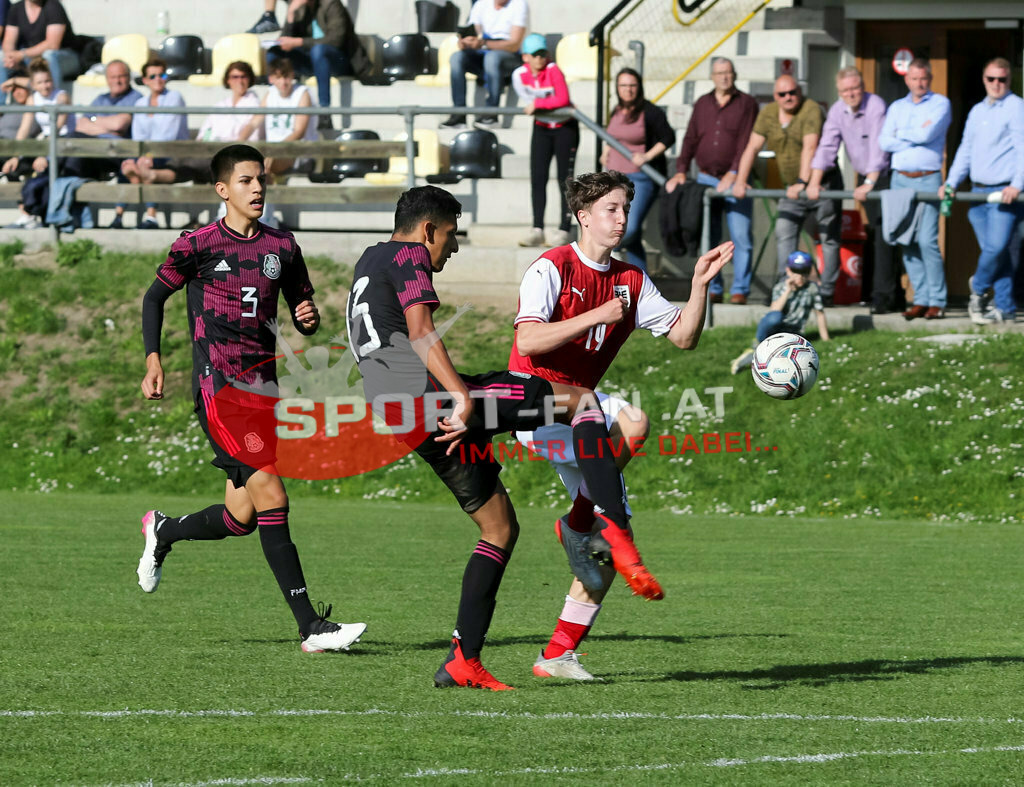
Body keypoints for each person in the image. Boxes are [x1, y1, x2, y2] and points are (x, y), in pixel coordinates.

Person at [347, 185, 660, 690]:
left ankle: (462, 660)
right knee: (580, 398)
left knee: (499, 529)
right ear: (428, 229)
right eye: (450, 235)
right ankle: (613, 529)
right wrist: (461, 396)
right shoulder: (409, 254)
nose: (453, 247)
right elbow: (421, 326)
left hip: (399, 412)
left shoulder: (370, 258)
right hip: (431, 397)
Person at [137, 143, 367, 654]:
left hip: (263, 391)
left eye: (261, 179)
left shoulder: (282, 247)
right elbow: (155, 297)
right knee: (274, 494)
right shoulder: (196, 244)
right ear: (222, 190)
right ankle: (312, 627)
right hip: (216, 388)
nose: (258, 187)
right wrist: (154, 359)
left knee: (240, 517)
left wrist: (309, 317)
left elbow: (302, 305)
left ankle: (164, 530)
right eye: (245, 180)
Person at [507, 170, 732, 680]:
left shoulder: (631, 279)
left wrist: (697, 287)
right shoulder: (551, 268)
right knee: (631, 419)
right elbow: (528, 345)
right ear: (583, 217)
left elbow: (684, 337)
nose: (622, 217)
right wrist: (597, 315)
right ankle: (590, 522)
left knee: (601, 551)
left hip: (581, 412)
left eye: (626, 208)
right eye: (611, 209)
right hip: (531, 402)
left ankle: (559, 653)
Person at [734, 75, 840, 304]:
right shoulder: (769, 113)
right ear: (775, 96)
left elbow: (810, 146)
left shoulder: (810, 109)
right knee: (784, 232)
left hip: (822, 182)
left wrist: (804, 182)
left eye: (793, 92)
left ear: (799, 92)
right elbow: (752, 146)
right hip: (791, 187)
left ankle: (827, 293)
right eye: (783, 94)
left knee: (828, 237)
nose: (789, 97)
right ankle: (786, 288)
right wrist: (740, 180)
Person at [665, 57, 757, 304]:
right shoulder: (703, 103)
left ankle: (740, 290)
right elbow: (690, 139)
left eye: (728, 72)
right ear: (712, 77)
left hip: (736, 180)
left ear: (734, 75)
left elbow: (747, 141)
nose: (724, 77)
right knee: (710, 236)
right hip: (705, 178)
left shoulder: (747, 103)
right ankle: (714, 288)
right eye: (719, 73)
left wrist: (735, 172)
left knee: (741, 237)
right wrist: (681, 169)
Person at [806, 67, 895, 314]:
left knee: (884, 235)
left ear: (863, 87)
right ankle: (882, 293)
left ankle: (883, 296)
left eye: (855, 88)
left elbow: (880, 148)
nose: (851, 94)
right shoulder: (837, 110)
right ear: (839, 92)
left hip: (885, 176)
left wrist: (870, 181)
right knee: (876, 234)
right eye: (845, 90)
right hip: (865, 177)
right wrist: (814, 181)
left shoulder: (875, 105)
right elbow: (827, 147)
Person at [943, 57, 1024, 325]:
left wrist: (1017, 184)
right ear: (984, 79)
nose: (997, 84)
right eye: (992, 79)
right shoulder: (977, 110)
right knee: (996, 254)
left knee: (997, 248)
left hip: (1003, 194)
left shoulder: (1016, 107)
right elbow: (965, 150)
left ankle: (977, 288)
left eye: (1003, 79)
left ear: (1009, 81)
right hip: (976, 192)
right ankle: (1005, 309)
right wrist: (952, 182)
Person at [879, 58, 951, 321]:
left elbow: (927, 135)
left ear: (929, 79)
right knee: (906, 241)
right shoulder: (897, 107)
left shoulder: (941, 103)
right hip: (901, 179)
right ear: (906, 80)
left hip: (929, 178)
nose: (919, 83)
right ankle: (920, 299)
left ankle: (937, 301)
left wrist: (902, 135)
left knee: (926, 241)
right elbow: (884, 141)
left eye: (924, 78)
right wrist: (912, 134)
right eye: (914, 78)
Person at [599, 68, 675, 271]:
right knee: (633, 240)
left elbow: (668, 137)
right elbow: (614, 135)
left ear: (639, 87)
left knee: (629, 229)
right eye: (623, 85)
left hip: (640, 179)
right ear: (617, 88)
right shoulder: (616, 110)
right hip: (613, 180)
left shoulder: (650, 112)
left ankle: (601, 252)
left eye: (632, 85)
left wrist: (647, 156)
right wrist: (606, 150)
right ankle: (642, 286)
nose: (628, 90)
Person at [512, 32, 576, 248]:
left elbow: (563, 98)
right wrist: (542, 105)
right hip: (541, 128)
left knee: (564, 180)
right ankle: (537, 228)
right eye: (535, 55)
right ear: (525, 57)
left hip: (564, 128)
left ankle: (564, 229)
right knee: (537, 178)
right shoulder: (519, 74)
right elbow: (531, 99)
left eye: (543, 54)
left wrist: (540, 105)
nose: (540, 58)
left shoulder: (553, 69)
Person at [265, 0, 368, 131]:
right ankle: (273, 101)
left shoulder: (331, 4)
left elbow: (336, 40)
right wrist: (290, 14)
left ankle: (324, 112)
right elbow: (285, 41)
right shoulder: (299, 8)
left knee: (318, 51)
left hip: (340, 61)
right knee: (274, 52)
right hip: (313, 61)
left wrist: (300, 42)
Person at [112, 56, 190, 230]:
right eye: (153, 76)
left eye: (161, 75)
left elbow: (168, 135)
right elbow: (138, 135)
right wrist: (140, 156)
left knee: (141, 167)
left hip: (172, 153)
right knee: (130, 165)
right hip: (151, 153)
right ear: (146, 80)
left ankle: (141, 215)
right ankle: (128, 216)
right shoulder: (140, 103)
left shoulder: (174, 98)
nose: (158, 80)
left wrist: (147, 156)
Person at [729, 250, 830, 374]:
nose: (800, 277)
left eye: (804, 273)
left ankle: (754, 356)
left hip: (794, 333)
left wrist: (826, 339)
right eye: (796, 272)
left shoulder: (812, 289)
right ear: (788, 271)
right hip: (774, 329)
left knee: (777, 359)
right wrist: (788, 290)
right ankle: (757, 345)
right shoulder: (780, 287)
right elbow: (774, 311)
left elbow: (819, 313)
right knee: (774, 317)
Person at [439, 0, 528, 130]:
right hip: (484, 54)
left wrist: (482, 44)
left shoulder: (519, 4)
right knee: (456, 58)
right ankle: (459, 114)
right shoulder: (481, 4)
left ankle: (491, 114)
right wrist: (466, 42)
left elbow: (514, 44)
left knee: (492, 58)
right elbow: (474, 32)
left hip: (510, 58)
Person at [2, 56, 69, 228]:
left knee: (42, 173)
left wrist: (43, 154)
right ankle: (27, 215)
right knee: (14, 167)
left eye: (48, 81)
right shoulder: (34, 98)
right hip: (46, 145)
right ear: (33, 84)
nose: (46, 86)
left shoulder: (61, 97)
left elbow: (58, 128)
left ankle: (37, 215)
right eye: (40, 83)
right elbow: (24, 129)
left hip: (64, 144)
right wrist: (15, 155)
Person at [59, 59, 141, 182]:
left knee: (73, 140)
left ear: (129, 77)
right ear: (107, 79)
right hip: (94, 150)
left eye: (121, 76)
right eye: (113, 77)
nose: (117, 81)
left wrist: (93, 121)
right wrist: (108, 130)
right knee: (74, 157)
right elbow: (80, 125)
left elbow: (119, 125)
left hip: (118, 153)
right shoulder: (101, 99)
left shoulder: (136, 97)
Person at [239, 56, 317, 181]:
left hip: (298, 152)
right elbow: (253, 123)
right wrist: (237, 143)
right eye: (279, 77)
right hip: (273, 151)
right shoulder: (270, 94)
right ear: (271, 79)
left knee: (260, 164)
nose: (283, 82)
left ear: (292, 76)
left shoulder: (303, 94)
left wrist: (275, 150)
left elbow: (299, 131)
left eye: (286, 77)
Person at [0, 0, 79, 90]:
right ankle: (1, 102)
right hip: (31, 58)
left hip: (65, 58)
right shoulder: (16, 8)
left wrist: (21, 54)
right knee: (1, 58)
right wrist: (11, 58)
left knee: (49, 56)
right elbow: (9, 41)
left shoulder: (54, 6)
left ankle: (54, 99)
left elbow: (53, 44)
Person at [197, 60, 262, 144]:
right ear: (228, 80)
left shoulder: (255, 105)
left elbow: (253, 138)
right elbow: (206, 131)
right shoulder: (220, 105)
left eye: (244, 77)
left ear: (250, 79)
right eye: (235, 77)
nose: (240, 81)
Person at [0, 69, 36, 180]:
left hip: (16, 146)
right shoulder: (9, 107)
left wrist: (13, 80)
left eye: (21, 88)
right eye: (14, 90)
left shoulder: (35, 104)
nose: (17, 92)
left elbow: (34, 84)